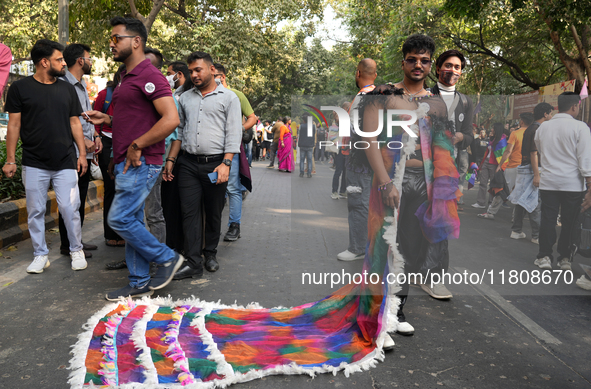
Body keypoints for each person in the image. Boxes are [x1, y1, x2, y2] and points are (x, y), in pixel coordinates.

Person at [357, 34, 461, 343]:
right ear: (403, 62)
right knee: (383, 248)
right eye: (412, 59)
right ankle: (375, 318)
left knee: (411, 251)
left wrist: (448, 186)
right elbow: (369, 141)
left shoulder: (436, 103)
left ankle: (397, 312)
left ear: (431, 65)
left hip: (424, 184)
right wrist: (386, 181)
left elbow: (444, 148)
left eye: (425, 60)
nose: (419, 65)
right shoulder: (382, 95)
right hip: (390, 181)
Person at [84, 17, 182, 300]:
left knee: (120, 218)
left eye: (117, 38)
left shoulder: (150, 75)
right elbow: (138, 118)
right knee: (133, 221)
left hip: (141, 161)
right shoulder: (128, 77)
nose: (111, 44)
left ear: (136, 41)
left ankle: (166, 258)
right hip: (127, 161)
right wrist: (109, 118)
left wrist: (138, 145)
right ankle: (139, 281)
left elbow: (171, 119)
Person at [3, 39, 88, 273]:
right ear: (44, 62)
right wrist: (10, 159)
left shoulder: (67, 88)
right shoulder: (20, 89)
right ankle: (40, 254)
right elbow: (14, 125)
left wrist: (82, 154)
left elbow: (75, 123)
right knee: (35, 211)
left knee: (70, 208)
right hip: (34, 161)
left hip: (65, 160)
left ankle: (76, 249)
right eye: (59, 59)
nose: (63, 63)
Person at [165, 52, 241, 280]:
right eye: (191, 71)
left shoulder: (229, 98)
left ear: (211, 70)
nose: (194, 74)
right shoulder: (185, 98)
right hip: (187, 163)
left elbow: (234, 133)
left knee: (213, 212)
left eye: (198, 70)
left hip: (216, 164)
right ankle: (193, 261)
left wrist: (226, 163)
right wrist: (171, 160)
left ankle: (210, 253)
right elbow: (179, 133)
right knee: (189, 213)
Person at [533, 92, 591, 271]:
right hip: (573, 185)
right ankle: (564, 258)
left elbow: (539, 149)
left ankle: (544, 256)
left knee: (548, 219)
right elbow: (585, 160)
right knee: (570, 221)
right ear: (574, 106)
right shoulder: (580, 127)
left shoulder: (543, 127)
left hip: (549, 182)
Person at [58, 43, 103, 259]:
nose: (91, 61)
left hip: (86, 151)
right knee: (69, 199)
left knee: (81, 197)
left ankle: (76, 240)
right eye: (89, 57)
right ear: (80, 60)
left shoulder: (82, 84)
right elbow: (62, 120)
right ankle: (67, 244)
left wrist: (94, 136)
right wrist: (82, 141)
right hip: (71, 152)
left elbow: (86, 116)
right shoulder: (62, 84)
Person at [337, 58, 376, 262]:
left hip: (359, 160)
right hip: (366, 159)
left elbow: (362, 132)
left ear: (357, 73)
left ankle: (358, 247)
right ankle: (365, 245)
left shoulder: (364, 97)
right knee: (365, 203)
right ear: (375, 75)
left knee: (358, 203)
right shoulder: (374, 94)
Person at [212, 63, 255, 241]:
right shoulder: (205, 95)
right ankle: (212, 227)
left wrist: (239, 130)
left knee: (232, 188)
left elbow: (253, 117)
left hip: (232, 149)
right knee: (214, 187)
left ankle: (234, 226)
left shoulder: (236, 95)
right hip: (212, 148)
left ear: (221, 77)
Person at [430, 49, 474, 212]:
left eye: (457, 67)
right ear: (438, 68)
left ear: (461, 72)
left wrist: (460, 136)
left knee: (441, 218)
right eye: (448, 65)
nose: (452, 70)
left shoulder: (465, 101)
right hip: (423, 166)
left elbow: (470, 136)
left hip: (449, 168)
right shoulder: (424, 95)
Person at [507, 102, 553, 244]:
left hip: (525, 167)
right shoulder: (538, 129)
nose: (551, 116)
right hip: (533, 169)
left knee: (522, 200)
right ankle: (536, 235)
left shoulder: (529, 129)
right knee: (534, 203)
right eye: (550, 113)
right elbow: (534, 153)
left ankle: (516, 230)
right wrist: (537, 174)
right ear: (545, 114)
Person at [94, 65, 126, 252]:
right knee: (111, 188)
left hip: (127, 142)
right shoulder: (105, 94)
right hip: (107, 143)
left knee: (125, 190)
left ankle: (124, 233)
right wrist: (97, 140)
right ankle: (110, 234)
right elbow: (95, 121)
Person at [472, 123, 507, 209]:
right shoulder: (492, 139)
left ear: (497, 130)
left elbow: (503, 155)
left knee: (493, 184)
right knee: (482, 182)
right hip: (486, 162)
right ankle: (480, 202)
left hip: (495, 164)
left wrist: (500, 166)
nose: (491, 130)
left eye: (493, 129)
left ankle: (491, 203)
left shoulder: (502, 140)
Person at [331, 106, 348, 199]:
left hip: (346, 149)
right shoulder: (335, 124)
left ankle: (342, 191)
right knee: (338, 170)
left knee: (345, 171)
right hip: (340, 149)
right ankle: (334, 191)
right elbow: (332, 136)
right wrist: (339, 144)